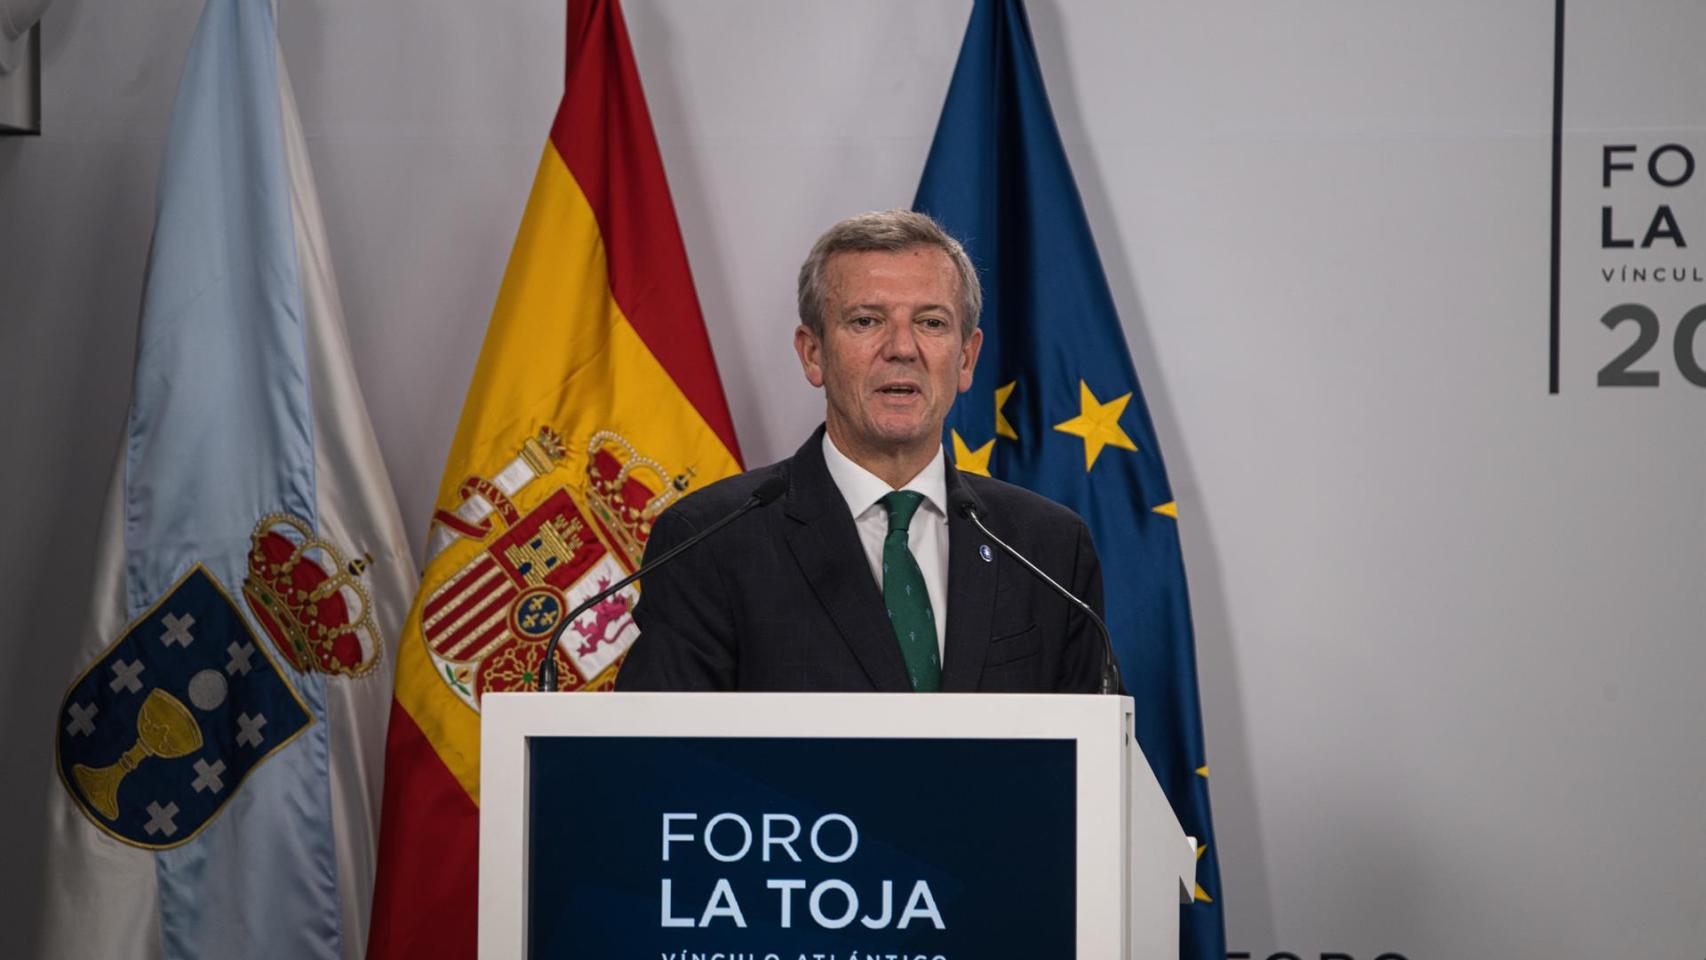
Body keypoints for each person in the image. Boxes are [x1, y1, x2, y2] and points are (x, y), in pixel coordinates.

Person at [615, 210, 1106, 693]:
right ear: (813, 354)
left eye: (931, 322)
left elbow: (1094, 759)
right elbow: (664, 759)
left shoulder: (1047, 548)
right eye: (867, 320)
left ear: (966, 358)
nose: (902, 348)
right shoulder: (709, 542)